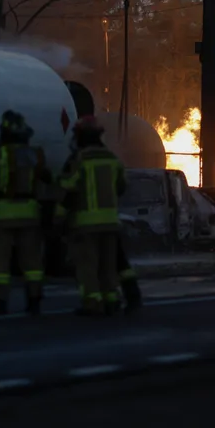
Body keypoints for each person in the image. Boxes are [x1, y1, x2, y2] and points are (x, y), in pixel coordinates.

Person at [0, 110, 52, 316]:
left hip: (3, 215)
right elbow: (48, 180)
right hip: (30, 215)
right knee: (32, 262)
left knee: (0, 263)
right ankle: (34, 300)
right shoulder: (35, 156)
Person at [58, 116, 127, 316]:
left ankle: (92, 303)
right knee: (108, 265)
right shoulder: (112, 159)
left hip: (85, 224)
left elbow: (69, 189)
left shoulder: (80, 160)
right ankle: (112, 300)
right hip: (110, 223)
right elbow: (121, 187)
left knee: (87, 266)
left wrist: (59, 215)